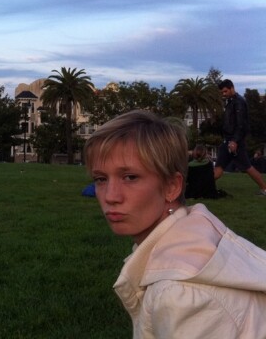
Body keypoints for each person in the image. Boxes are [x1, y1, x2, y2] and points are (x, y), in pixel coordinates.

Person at [85, 110, 266, 337]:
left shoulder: (181, 297)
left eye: (130, 177)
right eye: (101, 179)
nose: (110, 196)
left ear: (172, 186)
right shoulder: (197, 231)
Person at [213, 79, 266, 196]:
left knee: (247, 166)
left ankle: (264, 188)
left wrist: (234, 141)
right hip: (228, 140)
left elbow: (241, 124)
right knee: (219, 167)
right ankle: (204, 188)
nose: (224, 94)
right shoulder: (231, 102)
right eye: (222, 92)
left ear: (232, 88)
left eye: (225, 91)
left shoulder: (239, 102)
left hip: (234, 141)